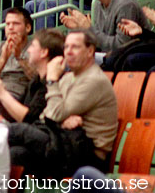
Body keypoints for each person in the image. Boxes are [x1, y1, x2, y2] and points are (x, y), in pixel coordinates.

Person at [8, 30, 118, 176]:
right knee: (15, 154)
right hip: (63, 141)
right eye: (66, 47)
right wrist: (62, 120)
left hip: (87, 154)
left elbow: (53, 115)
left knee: (17, 131)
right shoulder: (68, 77)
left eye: (75, 47)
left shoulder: (93, 80)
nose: (69, 52)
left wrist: (52, 79)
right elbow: (46, 116)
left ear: (90, 51)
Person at [60, 0, 149, 64]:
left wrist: (90, 29)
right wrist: (80, 28)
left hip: (125, 59)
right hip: (107, 56)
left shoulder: (125, 5)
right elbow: (99, 41)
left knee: (69, 60)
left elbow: (121, 47)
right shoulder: (98, 2)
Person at [0, 28, 64, 124]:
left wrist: (1, 93)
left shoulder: (52, 82)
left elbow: (30, 119)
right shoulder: (35, 81)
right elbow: (14, 117)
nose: (28, 50)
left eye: (33, 46)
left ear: (44, 52)